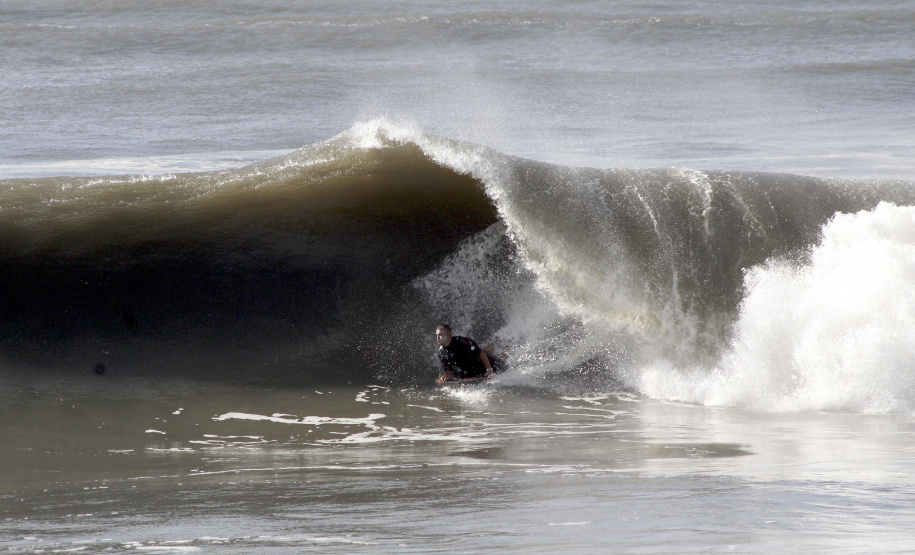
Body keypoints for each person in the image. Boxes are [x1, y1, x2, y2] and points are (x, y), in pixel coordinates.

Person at [435, 324, 503, 384]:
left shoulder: (463, 341)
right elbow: (449, 371)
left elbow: (480, 353)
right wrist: (446, 376)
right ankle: (496, 341)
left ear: (448, 335)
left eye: (440, 335)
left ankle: (504, 345)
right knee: (482, 351)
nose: (437, 337)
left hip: (485, 363)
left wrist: (489, 369)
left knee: (501, 363)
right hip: (471, 369)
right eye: (437, 335)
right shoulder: (441, 352)